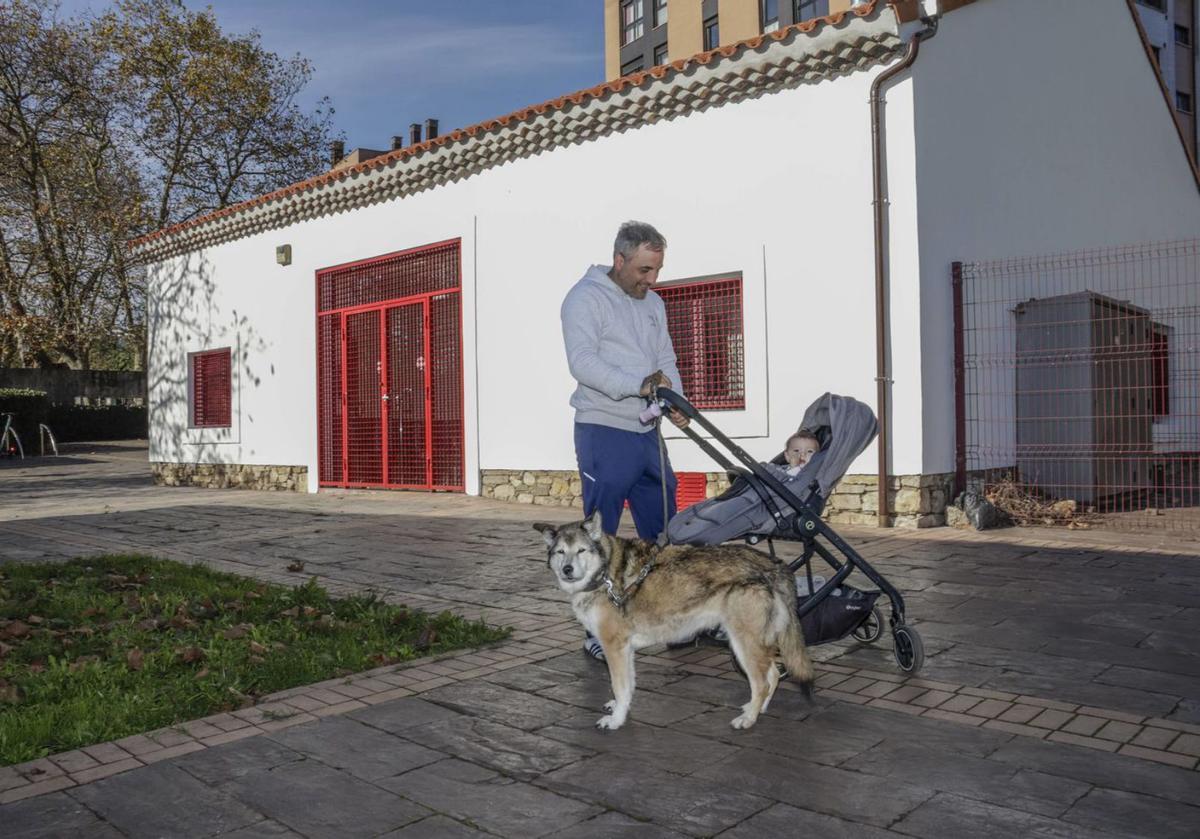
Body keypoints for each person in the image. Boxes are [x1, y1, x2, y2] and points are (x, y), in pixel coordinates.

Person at [560, 220, 688, 661]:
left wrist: (676, 400)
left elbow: (665, 357)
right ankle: (596, 632)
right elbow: (582, 362)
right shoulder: (585, 299)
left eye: (657, 270)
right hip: (603, 429)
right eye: (644, 270)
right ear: (619, 260)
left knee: (665, 528)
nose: (652, 280)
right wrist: (638, 385)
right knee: (601, 537)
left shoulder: (653, 303)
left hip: (647, 431)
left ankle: (673, 618)